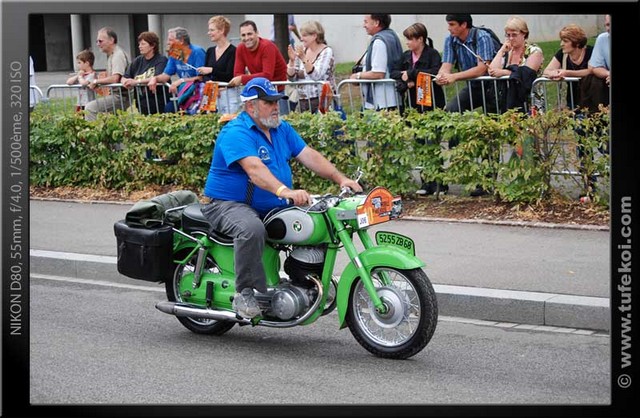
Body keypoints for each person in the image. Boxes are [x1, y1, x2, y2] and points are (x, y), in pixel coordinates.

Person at [200, 77, 362, 319]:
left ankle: (305, 280)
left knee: (318, 221)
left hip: (270, 205)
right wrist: (284, 192)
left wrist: (341, 179)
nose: (276, 106)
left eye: (277, 101)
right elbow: (254, 170)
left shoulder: (281, 129)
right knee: (251, 229)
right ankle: (245, 294)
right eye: (268, 102)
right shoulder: (235, 131)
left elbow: (309, 155)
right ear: (251, 106)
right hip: (227, 205)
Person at [435, 14, 501, 114]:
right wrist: (441, 76)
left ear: (464, 25)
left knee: (492, 120)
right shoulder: (450, 40)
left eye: (452, 24)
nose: (449, 28)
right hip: (473, 86)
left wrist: (454, 77)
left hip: (492, 85)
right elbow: (446, 65)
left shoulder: (482, 37)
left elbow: (481, 69)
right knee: (451, 109)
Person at [228, 20, 289, 113]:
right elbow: (237, 74)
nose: (246, 38)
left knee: (282, 122)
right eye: (243, 35)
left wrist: (242, 79)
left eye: (249, 34)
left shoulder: (267, 46)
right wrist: (241, 78)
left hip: (278, 90)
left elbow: (267, 75)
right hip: (260, 92)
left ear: (257, 33)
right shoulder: (240, 48)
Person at [488, 16, 544, 113]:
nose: (510, 38)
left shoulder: (534, 51)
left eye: (514, 35)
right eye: (508, 35)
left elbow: (526, 74)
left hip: (530, 101)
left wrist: (503, 72)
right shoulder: (507, 51)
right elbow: (491, 70)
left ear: (524, 34)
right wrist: (501, 51)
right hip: (509, 101)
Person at [349, 14, 403, 111]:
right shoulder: (391, 35)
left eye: (366, 22)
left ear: (376, 23)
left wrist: (357, 76)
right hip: (388, 99)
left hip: (381, 102)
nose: (363, 25)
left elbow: (378, 73)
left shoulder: (379, 42)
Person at [147, 27, 206, 113]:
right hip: (184, 93)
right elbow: (166, 75)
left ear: (181, 40)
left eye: (171, 40)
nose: (168, 43)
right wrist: (154, 78)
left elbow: (202, 77)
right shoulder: (175, 53)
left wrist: (181, 80)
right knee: (169, 109)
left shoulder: (197, 52)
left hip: (198, 93)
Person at [391, 22, 445, 113]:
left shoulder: (433, 54)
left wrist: (411, 73)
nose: (407, 42)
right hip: (412, 101)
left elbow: (435, 72)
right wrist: (406, 79)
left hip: (433, 100)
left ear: (420, 39)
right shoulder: (406, 55)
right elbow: (393, 72)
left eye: (410, 39)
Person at [286, 20, 336, 113]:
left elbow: (316, 76)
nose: (301, 39)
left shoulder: (327, 51)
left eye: (304, 35)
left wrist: (303, 58)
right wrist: (292, 61)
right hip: (303, 101)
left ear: (314, 36)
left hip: (322, 101)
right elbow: (291, 78)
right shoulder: (303, 50)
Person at [84, 27, 130, 121]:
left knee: (90, 108)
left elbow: (115, 79)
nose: (98, 44)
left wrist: (96, 81)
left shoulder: (118, 55)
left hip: (120, 97)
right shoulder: (112, 55)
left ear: (111, 40)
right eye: (97, 41)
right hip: (116, 95)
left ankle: (93, 135)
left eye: (100, 41)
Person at [542, 24, 592, 110]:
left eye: (565, 41)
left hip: (591, 99)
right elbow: (546, 71)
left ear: (577, 43)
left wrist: (567, 73)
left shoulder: (590, 52)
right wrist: (554, 73)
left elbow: (591, 71)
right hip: (571, 101)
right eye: (561, 40)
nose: (561, 44)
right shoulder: (562, 54)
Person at [196, 15, 239, 114]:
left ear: (221, 30)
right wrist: (213, 85)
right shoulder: (210, 51)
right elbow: (204, 76)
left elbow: (230, 75)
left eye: (212, 30)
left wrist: (212, 70)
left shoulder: (233, 51)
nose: (209, 33)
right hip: (211, 94)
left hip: (228, 94)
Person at [121, 31, 169, 115]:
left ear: (152, 45)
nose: (140, 47)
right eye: (139, 44)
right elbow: (125, 76)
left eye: (143, 44)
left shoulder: (161, 60)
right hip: (141, 103)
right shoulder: (137, 61)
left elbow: (158, 76)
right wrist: (125, 82)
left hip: (159, 103)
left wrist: (136, 82)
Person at [582, 14, 610, 112]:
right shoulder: (602, 39)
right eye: (607, 25)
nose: (609, 28)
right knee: (593, 80)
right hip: (608, 85)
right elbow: (595, 67)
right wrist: (609, 74)